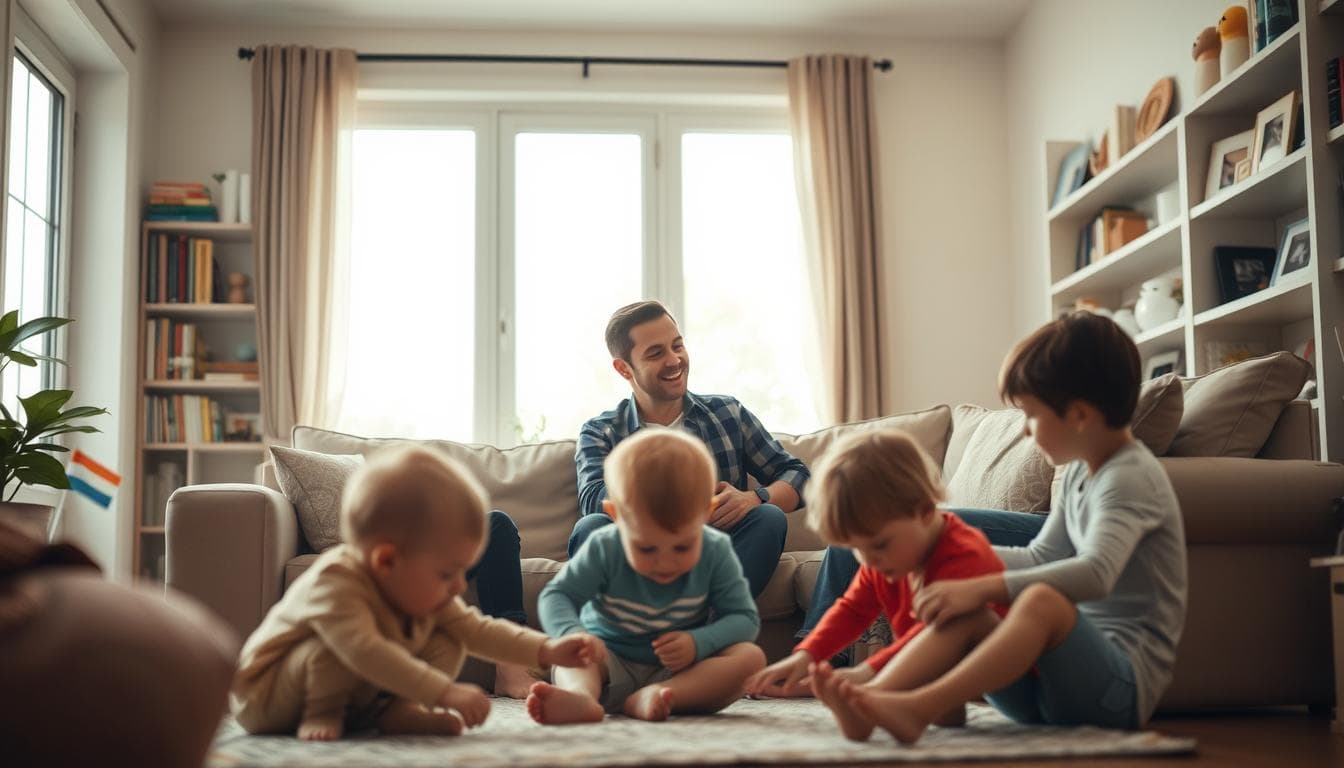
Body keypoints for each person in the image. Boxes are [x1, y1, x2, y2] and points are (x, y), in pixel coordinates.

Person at [822, 312, 1187, 743]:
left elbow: (1096, 574)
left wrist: (979, 585)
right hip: (1047, 691)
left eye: (1031, 416)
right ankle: (876, 700)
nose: (1026, 432)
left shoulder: (1129, 476)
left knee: (1038, 601)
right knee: (971, 611)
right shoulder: (1077, 473)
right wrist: (947, 561)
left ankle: (919, 707)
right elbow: (1041, 556)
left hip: (1115, 694)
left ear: (1080, 415)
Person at [231, 445, 603, 740]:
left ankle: (399, 709)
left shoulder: (414, 589)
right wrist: (444, 692)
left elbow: (478, 630)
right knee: (334, 648)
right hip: (271, 699)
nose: (460, 585)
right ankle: (323, 711)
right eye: (447, 573)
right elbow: (365, 651)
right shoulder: (337, 581)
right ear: (387, 561)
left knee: (450, 638)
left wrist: (546, 649)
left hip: (354, 699)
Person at [744, 429, 1007, 740]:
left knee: (951, 621)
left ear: (924, 512)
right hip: (944, 682)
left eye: (879, 545)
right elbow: (852, 610)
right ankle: (873, 710)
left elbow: (931, 635)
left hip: (1000, 676)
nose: (869, 561)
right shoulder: (883, 560)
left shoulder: (964, 552)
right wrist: (806, 655)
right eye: (857, 549)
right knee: (943, 714)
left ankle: (869, 699)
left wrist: (865, 674)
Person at [572, 300, 808, 598]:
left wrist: (755, 498)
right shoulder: (601, 431)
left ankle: (703, 632)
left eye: (677, 346)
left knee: (768, 518)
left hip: (715, 559)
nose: (674, 360)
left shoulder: (728, 413)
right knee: (591, 528)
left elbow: (797, 475)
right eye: (656, 353)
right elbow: (594, 501)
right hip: (640, 564)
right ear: (623, 369)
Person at [529, 429, 766, 723]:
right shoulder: (605, 545)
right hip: (605, 664)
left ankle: (658, 695)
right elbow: (557, 596)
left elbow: (744, 618)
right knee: (573, 658)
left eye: (682, 546)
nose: (664, 563)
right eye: (646, 547)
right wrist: (574, 635)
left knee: (750, 658)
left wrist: (698, 642)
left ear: (707, 513)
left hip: (681, 672)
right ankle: (581, 697)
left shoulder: (715, 549)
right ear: (617, 516)